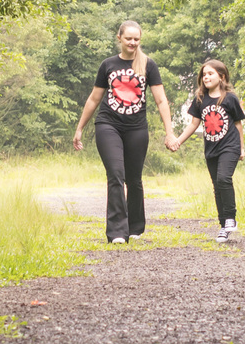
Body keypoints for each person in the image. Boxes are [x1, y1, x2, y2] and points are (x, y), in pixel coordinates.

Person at [73, 21, 178, 244]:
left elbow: (161, 100)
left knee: (134, 178)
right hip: (108, 124)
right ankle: (117, 232)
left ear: (140, 40)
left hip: (136, 128)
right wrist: (79, 128)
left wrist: (169, 133)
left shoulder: (148, 65)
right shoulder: (108, 65)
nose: (132, 42)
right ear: (119, 38)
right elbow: (94, 98)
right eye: (128, 38)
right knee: (116, 174)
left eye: (136, 39)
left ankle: (135, 227)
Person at [171, 59, 245, 243]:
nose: (206, 77)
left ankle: (230, 218)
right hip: (212, 148)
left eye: (210, 74)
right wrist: (178, 141)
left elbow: (238, 124)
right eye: (204, 74)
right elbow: (194, 125)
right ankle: (223, 227)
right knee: (217, 186)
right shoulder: (200, 100)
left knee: (223, 179)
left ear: (221, 77)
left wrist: (242, 148)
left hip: (230, 146)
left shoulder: (230, 98)